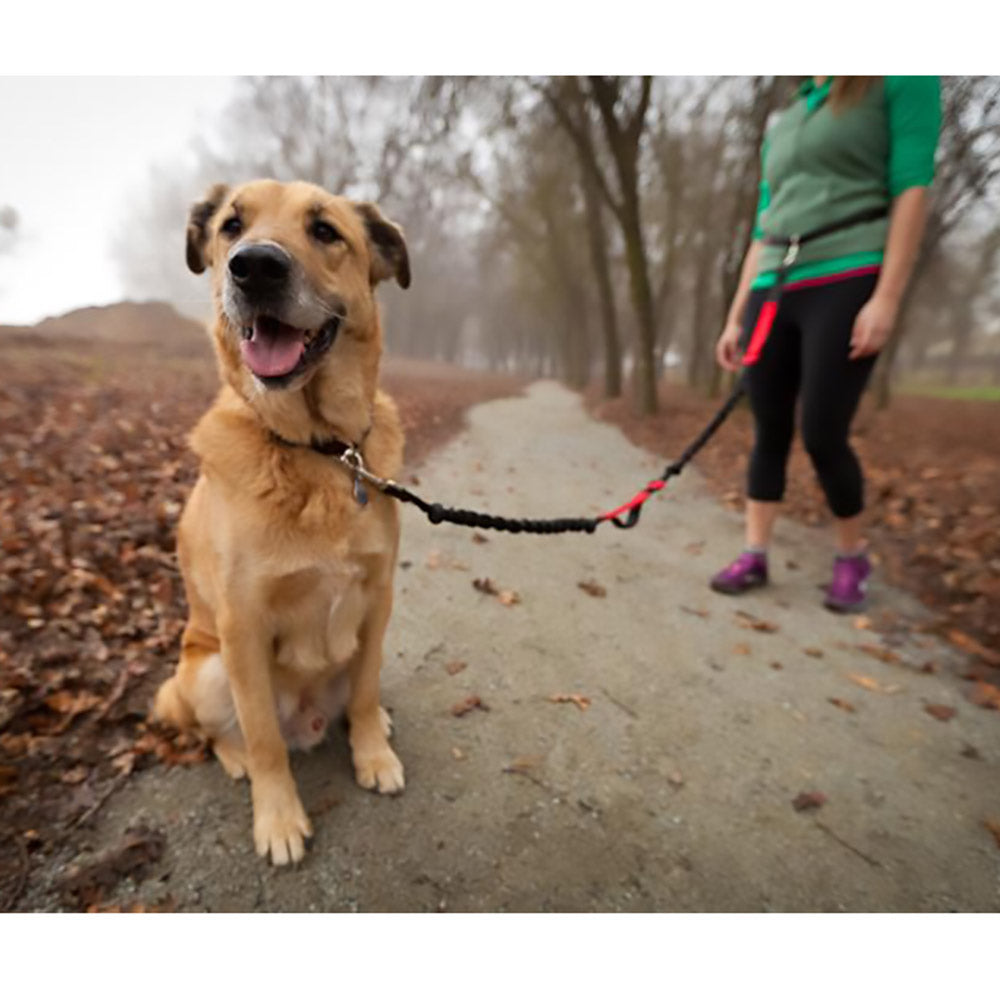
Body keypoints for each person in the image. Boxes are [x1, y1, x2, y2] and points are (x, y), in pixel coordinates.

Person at [711, 76, 941, 612]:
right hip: (774, 281)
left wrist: (886, 298)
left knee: (821, 431)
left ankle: (851, 554)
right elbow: (764, 223)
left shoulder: (902, 77)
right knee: (767, 426)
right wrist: (735, 315)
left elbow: (911, 189)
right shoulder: (790, 114)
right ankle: (755, 552)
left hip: (848, 270)